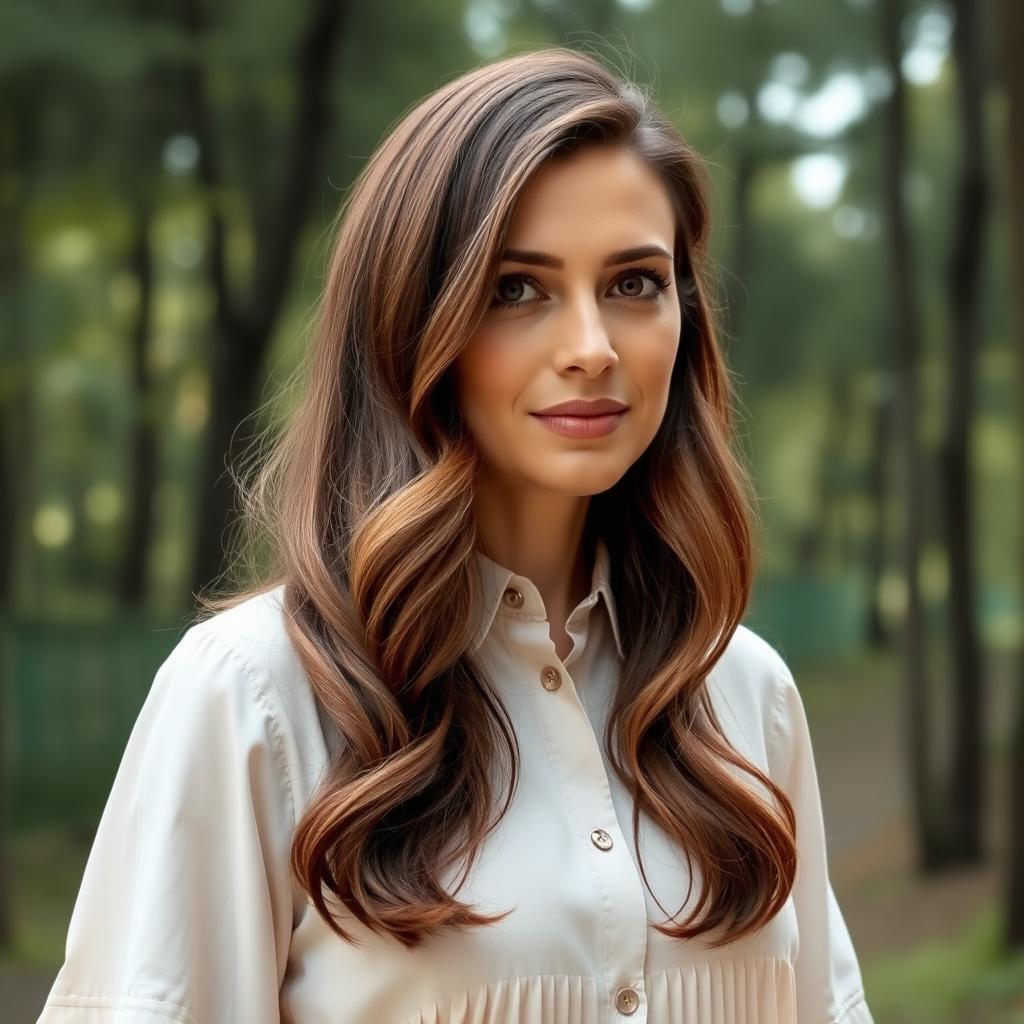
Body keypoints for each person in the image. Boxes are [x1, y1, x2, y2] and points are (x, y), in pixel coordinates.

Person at [38, 46, 874, 1024]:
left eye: (634, 283)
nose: (591, 348)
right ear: (410, 322)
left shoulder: (746, 693)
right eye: (516, 289)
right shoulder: (254, 697)